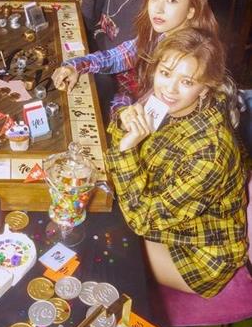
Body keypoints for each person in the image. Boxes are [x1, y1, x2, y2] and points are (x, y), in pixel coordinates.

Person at [105, 28, 248, 297]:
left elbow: (142, 220)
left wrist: (126, 150)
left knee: (107, 248)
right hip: (168, 219)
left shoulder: (210, 154)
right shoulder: (170, 104)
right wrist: (125, 119)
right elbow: (122, 134)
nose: (169, 89)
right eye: (165, 73)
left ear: (205, 87)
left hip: (199, 253)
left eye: (187, 82)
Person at [52, 0, 219, 115]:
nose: (158, 8)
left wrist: (120, 111)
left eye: (171, 0)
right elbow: (118, 56)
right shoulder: (160, 33)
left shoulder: (192, 53)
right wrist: (76, 66)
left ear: (191, 10)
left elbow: (152, 110)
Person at [74, 0, 165, 120]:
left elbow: (119, 57)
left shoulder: (145, 2)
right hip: (98, 60)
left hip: (122, 81)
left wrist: (92, 44)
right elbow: (88, 24)